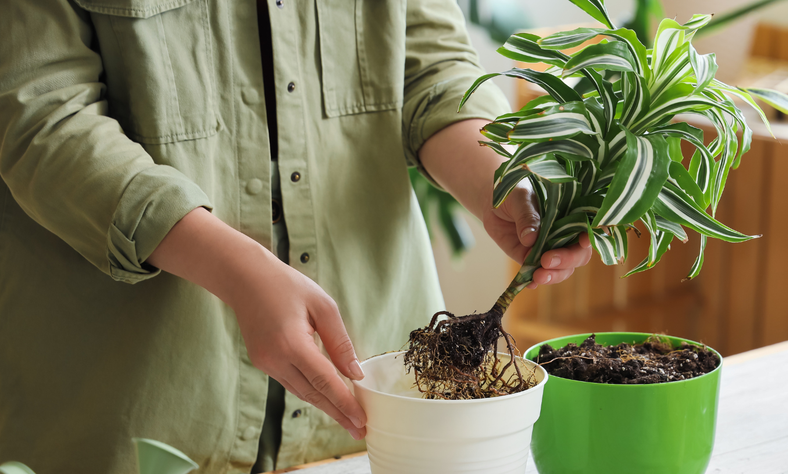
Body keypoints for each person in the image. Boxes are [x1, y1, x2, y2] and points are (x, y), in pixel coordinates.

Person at [0, 0, 592, 473]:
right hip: (137, 410)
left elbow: (431, 67)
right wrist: (238, 271)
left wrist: (502, 178)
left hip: (375, 414)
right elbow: (43, 119)